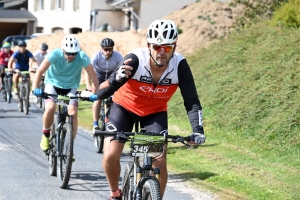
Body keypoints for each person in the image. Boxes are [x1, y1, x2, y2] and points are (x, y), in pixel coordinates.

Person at [97, 19, 206, 199]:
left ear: (175, 46)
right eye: (157, 47)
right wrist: (116, 78)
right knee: (111, 155)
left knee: (159, 162)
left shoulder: (180, 66)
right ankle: (115, 192)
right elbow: (101, 93)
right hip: (124, 109)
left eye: (167, 48)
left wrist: (198, 130)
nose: (161, 53)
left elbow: (192, 101)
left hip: (154, 114)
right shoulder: (134, 60)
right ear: (149, 45)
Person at [32, 34, 99, 161]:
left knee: (73, 112)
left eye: (74, 53)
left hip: (71, 87)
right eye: (68, 53)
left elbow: (93, 76)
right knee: (51, 107)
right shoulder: (54, 54)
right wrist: (35, 88)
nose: (71, 56)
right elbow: (40, 70)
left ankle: (70, 148)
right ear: (63, 50)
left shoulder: (82, 56)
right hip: (52, 84)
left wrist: (95, 93)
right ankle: (46, 135)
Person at [85, 38, 123, 129]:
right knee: (98, 99)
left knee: (115, 100)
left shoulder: (118, 56)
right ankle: (95, 124)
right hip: (98, 79)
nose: (108, 52)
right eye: (105, 50)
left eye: (110, 49)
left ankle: (112, 119)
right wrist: (88, 86)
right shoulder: (96, 56)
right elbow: (88, 72)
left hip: (111, 79)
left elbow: (123, 70)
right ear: (101, 49)